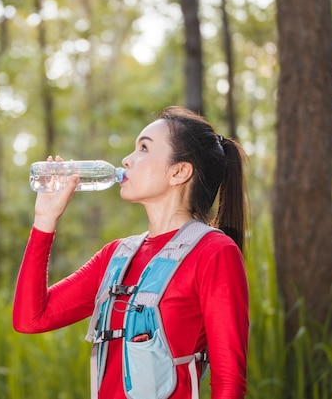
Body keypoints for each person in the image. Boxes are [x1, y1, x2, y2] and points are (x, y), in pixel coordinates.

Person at [13, 106, 249, 399]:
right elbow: (30, 319)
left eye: (143, 149)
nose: (127, 159)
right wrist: (45, 220)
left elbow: (229, 383)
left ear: (179, 172)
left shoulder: (214, 252)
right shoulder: (115, 256)